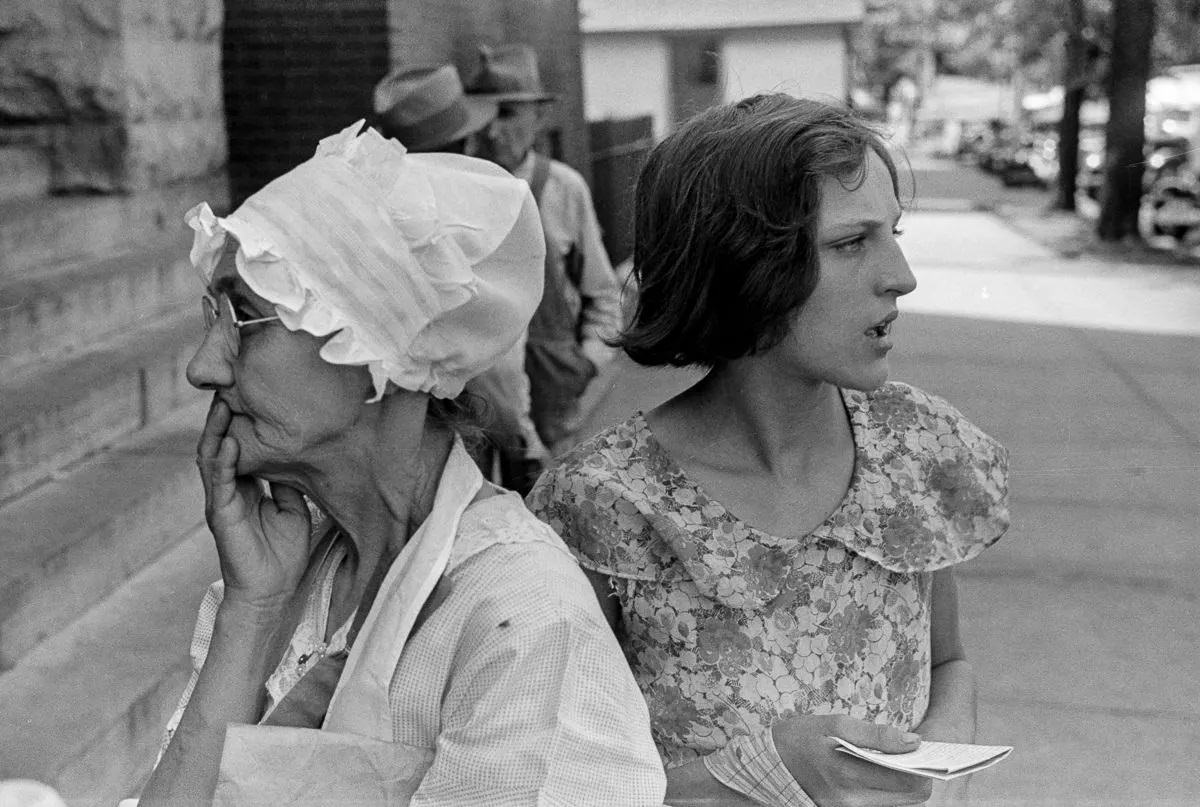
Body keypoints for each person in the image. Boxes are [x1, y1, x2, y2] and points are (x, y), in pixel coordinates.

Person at [135, 121, 666, 806]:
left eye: (244, 318)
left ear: (377, 355)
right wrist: (250, 610)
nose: (202, 367)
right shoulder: (292, 584)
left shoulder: (524, 622)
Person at [528, 95, 1011, 807]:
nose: (901, 275)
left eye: (894, 234)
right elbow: (550, 773)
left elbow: (948, 659)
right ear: (742, 266)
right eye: (852, 244)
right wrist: (756, 774)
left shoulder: (915, 451)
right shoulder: (604, 505)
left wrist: (932, 771)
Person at [373, 62, 549, 494]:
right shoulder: (468, 215)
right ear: (467, 140)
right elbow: (497, 358)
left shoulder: (370, 203)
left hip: (377, 424)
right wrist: (518, 432)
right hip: (458, 425)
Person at [465, 43, 623, 455]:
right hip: (475, 391)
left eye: (507, 113)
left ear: (539, 116)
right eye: (483, 115)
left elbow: (604, 294)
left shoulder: (563, 189)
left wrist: (587, 363)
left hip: (553, 389)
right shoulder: (459, 188)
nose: (492, 130)